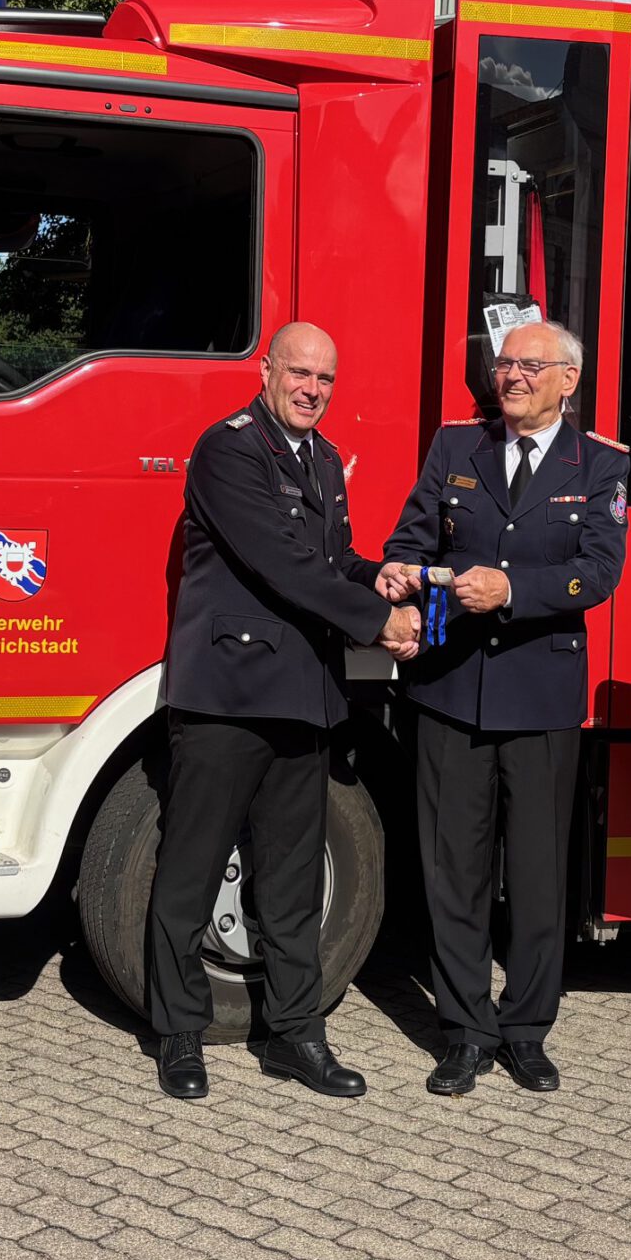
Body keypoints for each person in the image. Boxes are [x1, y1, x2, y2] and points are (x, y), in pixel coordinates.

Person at [148, 322, 423, 1101]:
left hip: (304, 697)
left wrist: (378, 578)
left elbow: (329, 562)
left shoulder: (324, 459)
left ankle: (297, 1034)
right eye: (300, 373)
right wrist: (377, 622)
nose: (312, 389)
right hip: (229, 698)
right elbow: (281, 562)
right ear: (266, 370)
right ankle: (180, 1034)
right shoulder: (228, 450)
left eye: (325, 379)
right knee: (191, 872)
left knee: (293, 883)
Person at [377, 320, 627, 1096]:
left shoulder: (602, 464)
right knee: (453, 870)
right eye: (504, 363)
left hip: (542, 697)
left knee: (539, 875)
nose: (510, 376)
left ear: (568, 381)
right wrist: (400, 574)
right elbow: (413, 538)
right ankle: (465, 1032)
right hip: (450, 689)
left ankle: (526, 1030)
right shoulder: (457, 447)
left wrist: (515, 588)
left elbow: (600, 570)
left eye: (529, 365)